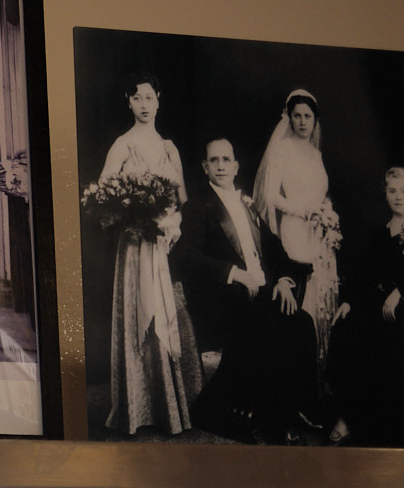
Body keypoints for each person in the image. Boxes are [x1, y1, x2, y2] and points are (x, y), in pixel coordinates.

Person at [174, 136, 318, 443]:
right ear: (205, 167)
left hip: (263, 291)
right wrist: (235, 273)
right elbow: (187, 257)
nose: (221, 166)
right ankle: (275, 423)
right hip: (225, 298)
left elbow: (276, 250)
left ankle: (297, 407)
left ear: (236, 166)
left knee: (302, 324)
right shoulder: (198, 207)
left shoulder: (247, 204)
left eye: (227, 159)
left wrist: (283, 280)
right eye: (215, 160)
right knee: (267, 330)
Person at [97, 72, 202, 434]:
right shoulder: (123, 145)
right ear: (128, 102)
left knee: (167, 316)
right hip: (135, 247)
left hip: (163, 245)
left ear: (159, 100)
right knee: (139, 314)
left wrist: (171, 224)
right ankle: (138, 409)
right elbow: (104, 193)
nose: (144, 105)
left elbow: (181, 198)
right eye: (137, 98)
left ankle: (170, 408)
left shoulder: (168, 147)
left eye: (149, 98)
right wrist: (133, 213)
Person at [252, 89, 343, 365]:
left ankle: (320, 369)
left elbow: (320, 193)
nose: (303, 121)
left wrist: (327, 213)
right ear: (289, 119)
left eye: (308, 116)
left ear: (315, 120)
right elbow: (269, 196)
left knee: (322, 296)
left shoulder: (316, 153)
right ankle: (298, 369)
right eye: (297, 116)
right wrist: (305, 211)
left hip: (320, 234)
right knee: (300, 298)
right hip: (295, 229)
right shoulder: (282, 149)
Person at [329, 168, 404, 444]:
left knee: (387, 338)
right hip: (376, 302)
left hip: (400, 304)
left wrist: (400, 291)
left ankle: (382, 419)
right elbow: (363, 273)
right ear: (384, 193)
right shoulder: (382, 230)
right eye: (393, 191)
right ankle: (349, 415)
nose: (399, 197)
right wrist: (348, 301)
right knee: (349, 327)